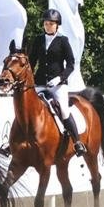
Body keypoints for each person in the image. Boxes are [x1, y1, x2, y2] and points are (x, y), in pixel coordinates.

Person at [28, 8, 87, 155]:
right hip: (40, 83)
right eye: (46, 23)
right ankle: (12, 143)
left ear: (57, 25)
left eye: (51, 24)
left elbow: (72, 64)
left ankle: (77, 142)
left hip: (58, 85)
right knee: (27, 108)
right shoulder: (38, 40)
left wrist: (60, 78)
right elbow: (31, 62)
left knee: (64, 111)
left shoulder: (63, 41)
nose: (48, 26)